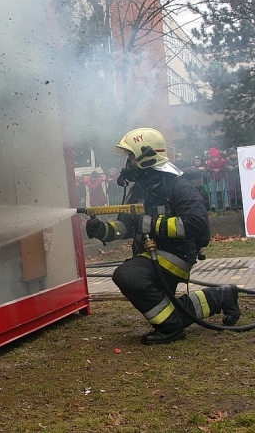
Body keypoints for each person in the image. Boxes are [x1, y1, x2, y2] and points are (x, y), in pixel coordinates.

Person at [85, 128, 240, 345]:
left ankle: (170, 328)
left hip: (175, 255)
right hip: (149, 253)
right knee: (167, 305)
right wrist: (103, 230)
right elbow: (127, 225)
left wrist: (149, 223)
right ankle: (221, 296)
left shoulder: (176, 184)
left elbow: (197, 224)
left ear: (146, 155)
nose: (128, 162)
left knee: (128, 276)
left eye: (131, 156)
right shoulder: (139, 187)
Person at [205, 147, 227, 212]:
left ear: (218, 156)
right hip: (213, 178)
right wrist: (213, 170)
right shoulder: (209, 162)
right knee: (213, 191)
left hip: (221, 177)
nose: (215, 159)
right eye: (213, 158)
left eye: (216, 157)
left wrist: (219, 169)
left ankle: (226, 203)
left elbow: (224, 167)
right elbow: (208, 168)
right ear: (211, 158)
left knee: (224, 190)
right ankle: (213, 204)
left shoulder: (223, 161)